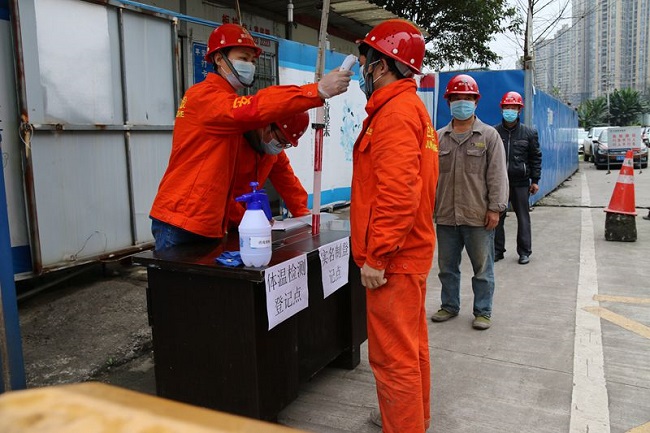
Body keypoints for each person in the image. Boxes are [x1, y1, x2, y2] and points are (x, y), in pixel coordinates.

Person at [149, 24, 352, 250]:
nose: (250, 66)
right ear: (218, 58)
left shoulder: (232, 111)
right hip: (182, 219)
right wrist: (316, 90)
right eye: (243, 58)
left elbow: (286, 179)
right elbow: (253, 108)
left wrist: (304, 217)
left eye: (253, 61)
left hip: (208, 221)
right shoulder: (205, 97)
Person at [351, 19, 438, 433]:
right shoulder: (411, 109)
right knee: (411, 346)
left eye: (364, 62)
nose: (362, 71)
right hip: (411, 251)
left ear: (382, 65)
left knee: (392, 357)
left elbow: (398, 194)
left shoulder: (394, 114)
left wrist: (378, 256)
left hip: (395, 259)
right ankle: (414, 420)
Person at [431, 74, 508, 331]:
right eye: (457, 98)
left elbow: (497, 175)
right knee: (446, 268)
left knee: (482, 269)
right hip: (446, 215)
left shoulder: (489, 136)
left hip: (478, 215)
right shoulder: (438, 138)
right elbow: (430, 177)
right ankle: (449, 305)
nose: (462, 102)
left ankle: (483, 311)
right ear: (448, 102)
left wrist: (495, 208)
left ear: (476, 102)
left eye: (467, 98)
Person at [228, 111, 311, 228]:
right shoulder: (231, 144)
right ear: (267, 126)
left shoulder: (272, 151)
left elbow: (288, 182)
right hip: (216, 222)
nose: (281, 147)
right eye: (281, 141)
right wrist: (248, 219)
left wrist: (303, 214)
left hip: (244, 222)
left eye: (286, 144)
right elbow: (218, 194)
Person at [493, 91, 542, 265]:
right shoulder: (494, 132)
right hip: (500, 182)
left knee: (523, 217)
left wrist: (535, 180)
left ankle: (524, 252)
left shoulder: (529, 133)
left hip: (521, 182)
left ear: (519, 110)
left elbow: (535, 157)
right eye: (507, 107)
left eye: (513, 107)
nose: (510, 110)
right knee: (497, 216)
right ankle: (497, 250)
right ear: (502, 109)